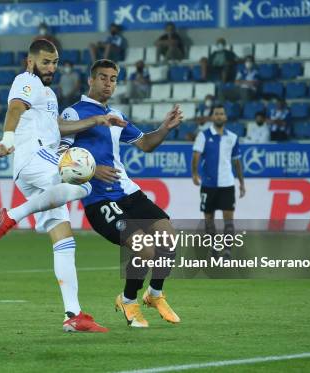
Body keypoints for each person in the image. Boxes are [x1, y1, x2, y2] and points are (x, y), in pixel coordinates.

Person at [0, 39, 126, 332]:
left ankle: (72, 315)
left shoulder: (48, 94)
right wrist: (8, 138)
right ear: (30, 61)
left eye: (54, 62)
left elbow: (59, 128)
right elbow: (15, 107)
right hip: (35, 156)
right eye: (45, 61)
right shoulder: (26, 80)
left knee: (64, 241)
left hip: (35, 167)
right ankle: (11, 215)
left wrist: (97, 120)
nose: (50, 67)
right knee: (86, 181)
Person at [61, 59, 183, 328]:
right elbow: (60, 153)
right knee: (145, 250)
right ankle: (128, 300)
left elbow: (146, 144)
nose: (108, 83)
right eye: (103, 77)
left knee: (169, 239)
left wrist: (164, 128)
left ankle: (155, 295)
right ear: (91, 80)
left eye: (113, 78)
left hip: (127, 191)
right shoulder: (73, 113)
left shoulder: (115, 115)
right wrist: (92, 171)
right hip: (99, 199)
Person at [192, 105, 245, 259]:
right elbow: (196, 156)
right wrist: (195, 174)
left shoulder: (233, 137)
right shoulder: (203, 136)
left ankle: (227, 252)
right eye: (216, 114)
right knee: (209, 219)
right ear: (212, 117)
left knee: (229, 219)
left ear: (225, 117)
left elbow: (237, 162)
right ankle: (214, 249)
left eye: (222, 114)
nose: (219, 116)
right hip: (208, 185)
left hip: (227, 184)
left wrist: (241, 183)